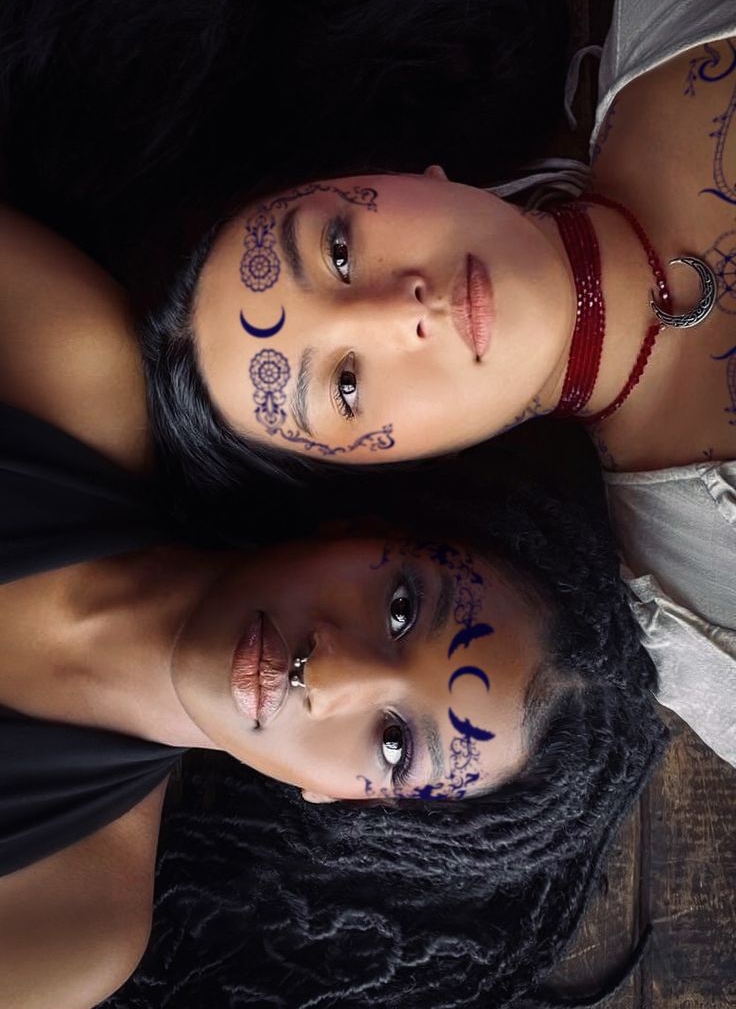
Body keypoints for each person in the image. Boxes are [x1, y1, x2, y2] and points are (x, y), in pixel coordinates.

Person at [0, 205, 665, 1008]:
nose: (330, 672)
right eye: (399, 610)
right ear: (363, 526)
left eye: (391, 746)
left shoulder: (71, 920)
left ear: (346, 802)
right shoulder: (64, 356)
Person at [139, 0, 736, 766]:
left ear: (384, 171)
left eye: (339, 249)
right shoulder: (706, 622)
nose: (401, 311)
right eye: (345, 385)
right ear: (394, 467)